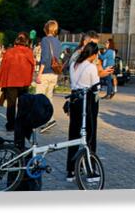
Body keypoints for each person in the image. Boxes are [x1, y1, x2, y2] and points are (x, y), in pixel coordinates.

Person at [66, 41, 101, 182]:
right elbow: (96, 87)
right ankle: (90, 169)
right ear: (93, 54)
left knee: (74, 134)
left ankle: (71, 170)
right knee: (90, 136)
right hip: (87, 102)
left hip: (74, 100)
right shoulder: (91, 67)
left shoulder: (74, 64)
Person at [0, 32, 36, 131]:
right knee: (22, 104)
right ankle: (21, 124)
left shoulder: (9, 51)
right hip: (24, 82)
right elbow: (32, 67)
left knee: (11, 104)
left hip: (11, 81)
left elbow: (3, 67)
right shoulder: (29, 52)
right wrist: (30, 80)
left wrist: (0, 81)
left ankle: (10, 125)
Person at [35, 20, 62, 102]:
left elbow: (45, 57)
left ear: (46, 29)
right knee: (49, 98)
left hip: (45, 72)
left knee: (39, 98)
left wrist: (39, 73)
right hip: (54, 73)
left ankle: (39, 114)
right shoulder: (58, 42)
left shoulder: (45, 40)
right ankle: (49, 114)